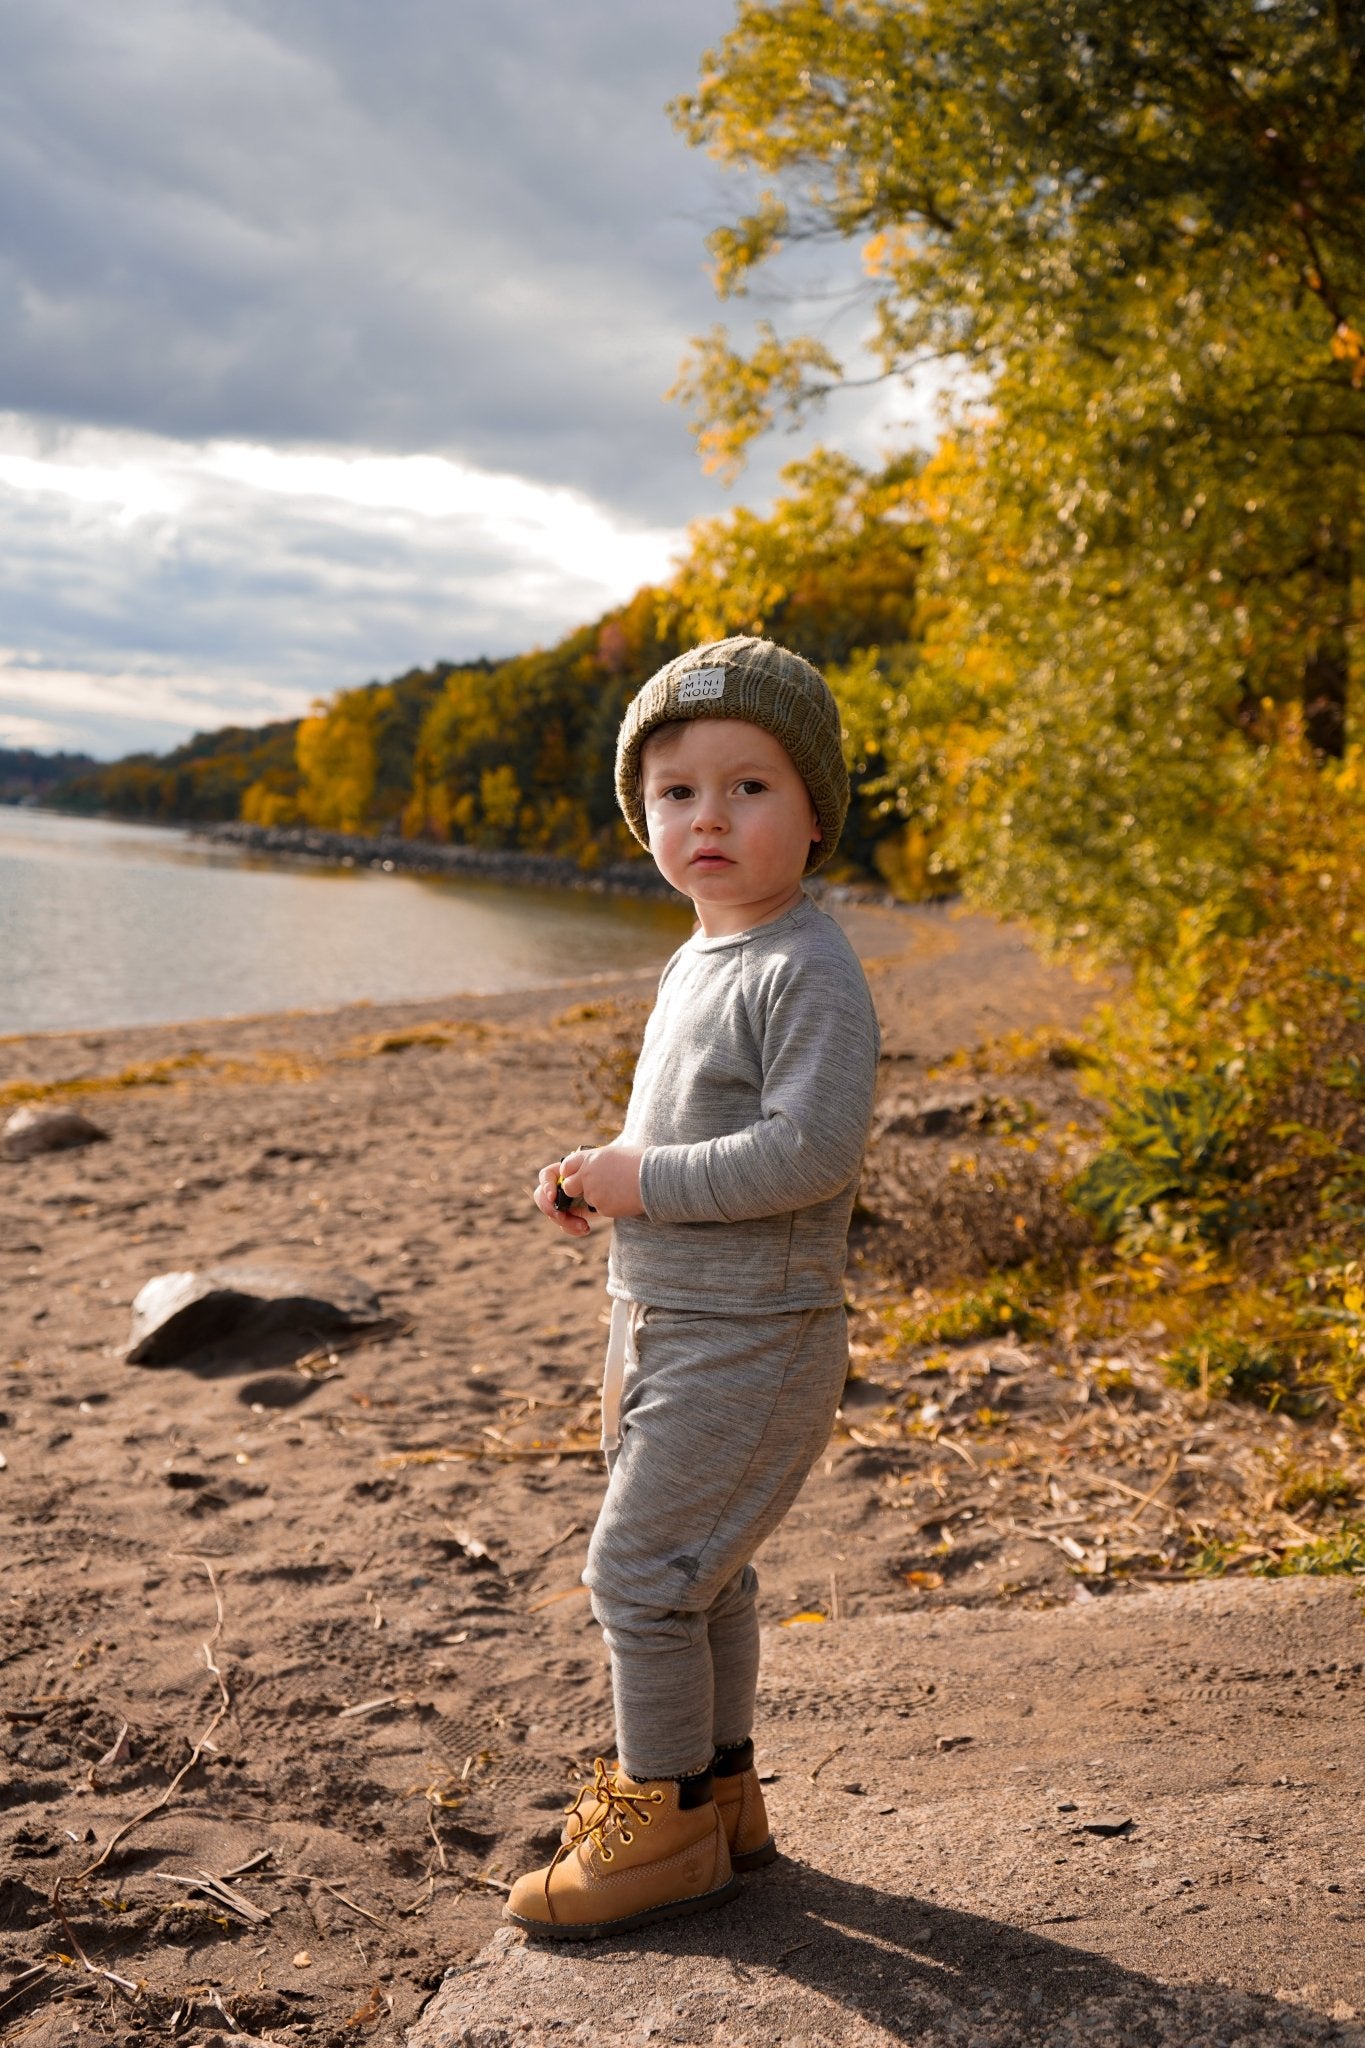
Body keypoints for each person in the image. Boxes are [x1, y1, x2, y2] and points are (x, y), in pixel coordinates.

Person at [506, 635, 880, 1940]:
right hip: (671, 1325)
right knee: (700, 1576)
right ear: (643, 815)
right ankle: (720, 1799)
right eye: (674, 792)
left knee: (641, 1576)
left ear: (815, 811)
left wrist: (643, 1180)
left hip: (755, 1337)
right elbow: (670, 1133)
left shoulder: (804, 968)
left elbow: (809, 1152)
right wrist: (595, 1180)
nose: (706, 816)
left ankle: (656, 1822)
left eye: (748, 788)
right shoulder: (700, 956)